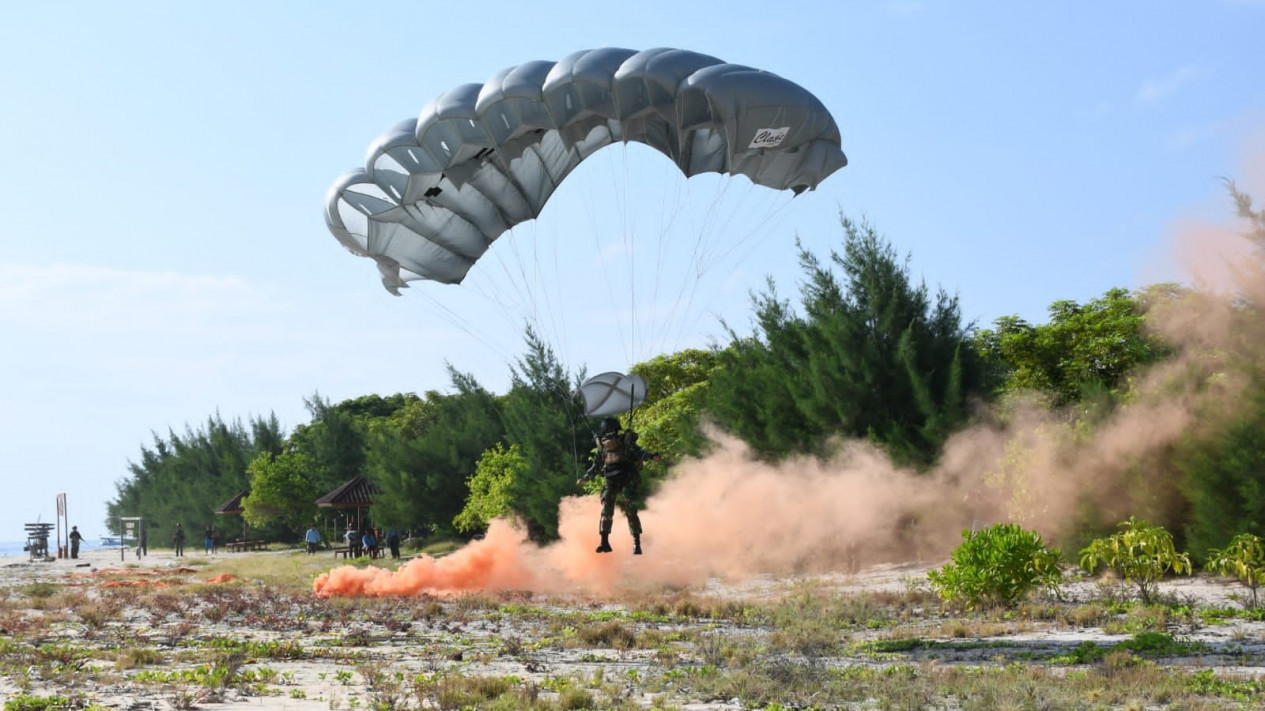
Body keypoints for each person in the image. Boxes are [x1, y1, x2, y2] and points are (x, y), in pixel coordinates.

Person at [577, 416, 661, 554]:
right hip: (611, 480)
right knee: (606, 511)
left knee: (631, 510)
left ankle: (636, 543)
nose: (610, 435)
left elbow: (640, 453)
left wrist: (652, 457)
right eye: (608, 432)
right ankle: (604, 542)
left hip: (627, 478)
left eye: (613, 431)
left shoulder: (626, 444)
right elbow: (596, 466)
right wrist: (585, 478)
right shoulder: (602, 449)